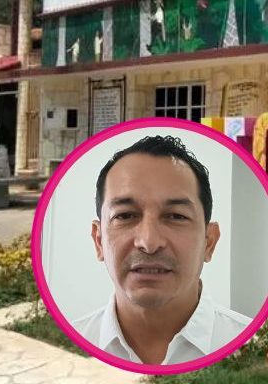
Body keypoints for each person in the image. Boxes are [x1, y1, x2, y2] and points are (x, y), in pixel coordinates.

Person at [73, 135, 251, 365]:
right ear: (99, 241)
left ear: (209, 242)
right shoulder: (67, 348)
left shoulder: (256, 346)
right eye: (125, 216)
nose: (149, 242)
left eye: (175, 216)